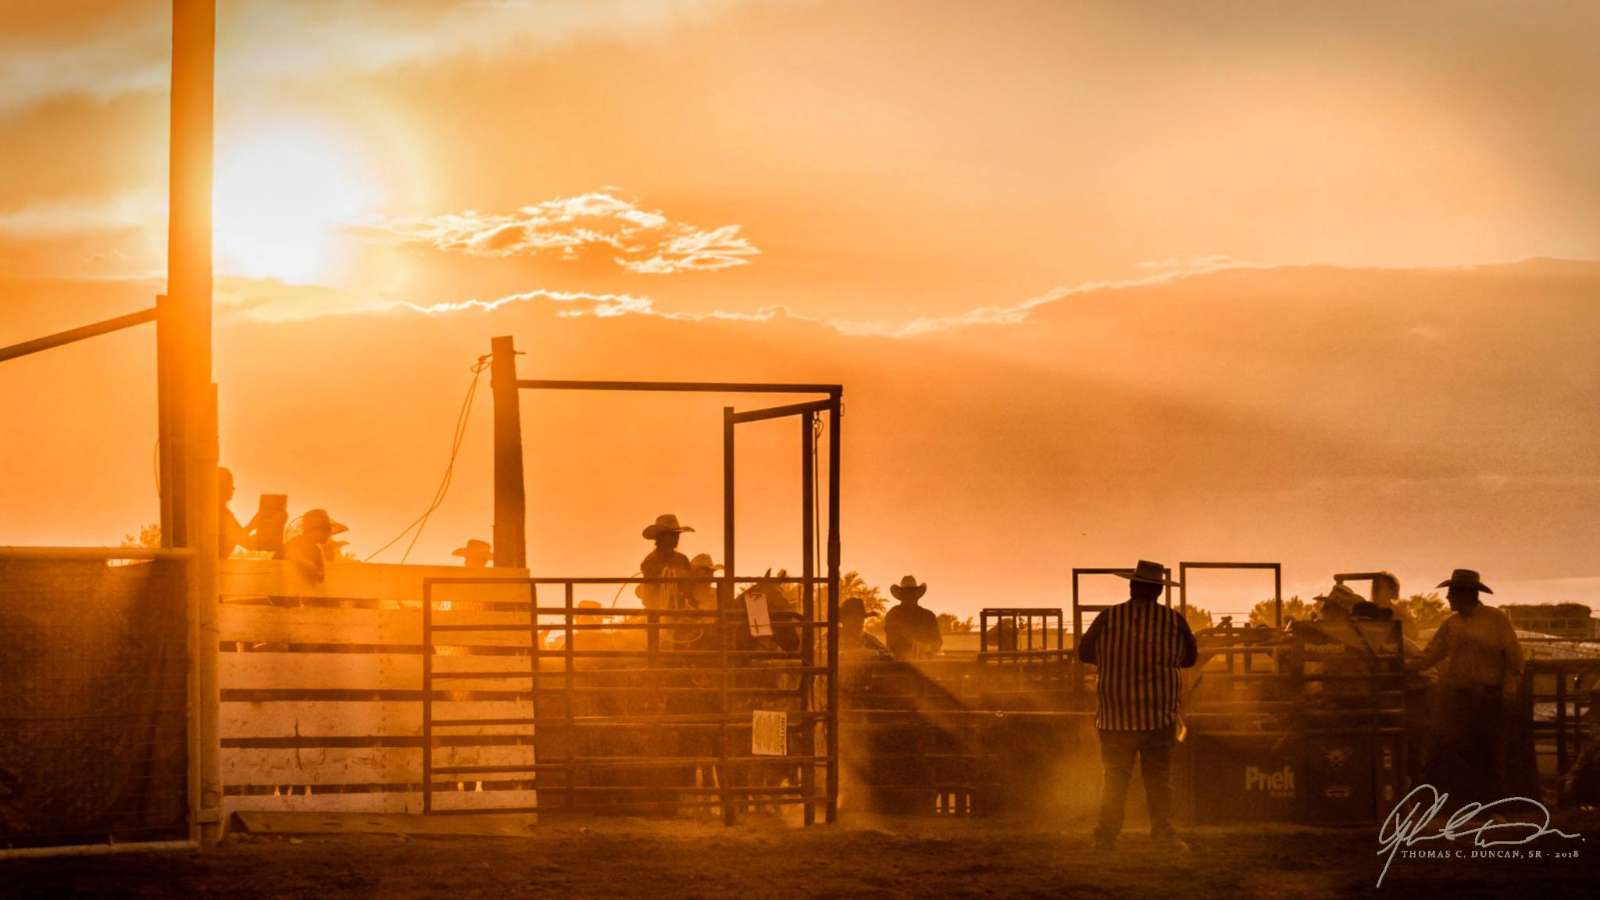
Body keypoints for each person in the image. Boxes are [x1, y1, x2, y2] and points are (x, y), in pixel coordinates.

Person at [1077, 560, 1197, 850]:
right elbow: (1190, 658)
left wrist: (1114, 662)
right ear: (1157, 590)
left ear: (1132, 587)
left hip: (1115, 716)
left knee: (1115, 780)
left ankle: (1106, 837)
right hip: (1158, 715)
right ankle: (1163, 835)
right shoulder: (1173, 620)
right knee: (1158, 780)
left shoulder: (1108, 617)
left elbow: (1084, 652)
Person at [1406, 568, 1523, 803]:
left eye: (1451, 593)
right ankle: (1470, 801)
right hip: (1460, 697)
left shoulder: (1495, 620)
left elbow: (1514, 659)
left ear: (1465, 594)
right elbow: (1430, 654)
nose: (1447, 597)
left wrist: (1509, 690)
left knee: (1486, 751)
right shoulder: (1452, 624)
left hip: (1488, 696)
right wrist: (1405, 665)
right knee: (1462, 750)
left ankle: (1487, 802)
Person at [637, 514, 694, 610]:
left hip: (680, 610)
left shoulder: (682, 559)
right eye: (672, 535)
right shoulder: (650, 561)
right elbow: (651, 594)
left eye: (677, 535)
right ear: (661, 537)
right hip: (658, 611)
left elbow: (689, 587)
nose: (676, 538)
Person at [276, 508, 345, 582]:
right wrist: (305, 565)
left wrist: (318, 573)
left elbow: (321, 576)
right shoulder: (296, 541)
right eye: (326, 530)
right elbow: (292, 554)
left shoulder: (317, 551)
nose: (329, 534)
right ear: (314, 530)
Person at [883, 576, 941, 660]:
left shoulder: (928, 616)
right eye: (906, 593)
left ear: (916, 594)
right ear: (901, 595)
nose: (909, 596)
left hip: (925, 665)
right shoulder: (893, 614)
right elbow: (891, 643)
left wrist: (926, 648)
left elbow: (937, 642)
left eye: (911, 592)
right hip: (899, 665)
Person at [217, 467, 257, 558]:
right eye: (230, 485)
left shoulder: (226, 513)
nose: (232, 489)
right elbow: (240, 539)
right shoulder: (219, 514)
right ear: (220, 486)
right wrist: (252, 525)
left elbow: (246, 541)